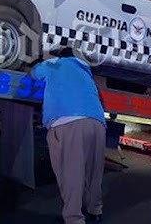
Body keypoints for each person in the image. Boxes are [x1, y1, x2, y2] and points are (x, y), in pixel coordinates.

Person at [30, 48, 106, 224]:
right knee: (93, 174)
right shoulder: (86, 72)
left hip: (68, 122)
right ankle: (95, 211)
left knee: (71, 175)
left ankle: (74, 219)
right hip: (97, 123)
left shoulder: (54, 64)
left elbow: (34, 74)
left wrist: (36, 62)